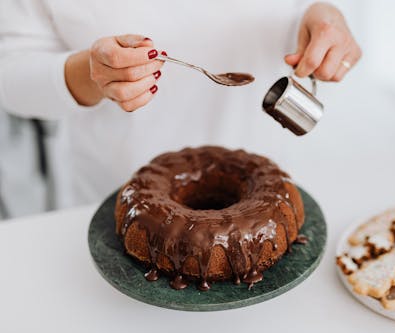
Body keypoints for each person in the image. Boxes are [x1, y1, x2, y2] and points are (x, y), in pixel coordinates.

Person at [0, 0, 361, 208]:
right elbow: (11, 71)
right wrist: (91, 74)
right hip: (118, 191)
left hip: (271, 183)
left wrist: (327, 14)